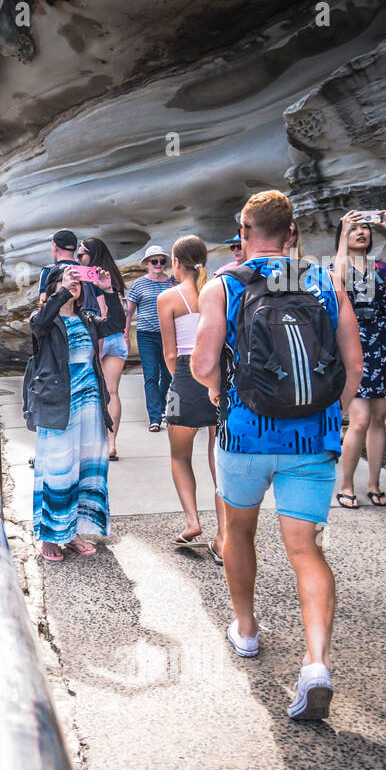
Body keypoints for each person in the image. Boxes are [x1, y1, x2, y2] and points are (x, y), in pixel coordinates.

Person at [191, 189, 363, 721]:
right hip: (311, 438)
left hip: (244, 434)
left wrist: (221, 393)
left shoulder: (225, 284)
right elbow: (354, 363)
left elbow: (201, 364)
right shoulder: (325, 281)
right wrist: (332, 412)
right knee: (306, 549)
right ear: (292, 233)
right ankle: (316, 665)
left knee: (237, 533)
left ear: (243, 233)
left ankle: (245, 630)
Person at [332, 210, 386, 509]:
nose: (362, 232)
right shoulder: (334, 266)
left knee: (379, 420)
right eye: (355, 228)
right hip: (354, 344)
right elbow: (339, 280)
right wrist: (343, 232)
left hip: (383, 344)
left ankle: (374, 484)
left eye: (366, 229)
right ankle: (345, 485)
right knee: (358, 420)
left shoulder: (380, 268)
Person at [28, 265, 114, 561]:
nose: (73, 284)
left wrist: (107, 290)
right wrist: (63, 288)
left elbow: (115, 323)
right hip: (59, 404)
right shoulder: (46, 321)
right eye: (66, 280)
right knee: (59, 468)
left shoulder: (86, 319)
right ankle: (50, 535)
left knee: (82, 466)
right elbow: (38, 324)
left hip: (88, 403)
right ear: (53, 288)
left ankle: (72, 532)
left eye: (77, 280)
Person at [158, 235, 225, 560]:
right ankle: (224, 536)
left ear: (176, 263)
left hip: (185, 376)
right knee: (219, 461)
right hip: (219, 376)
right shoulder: (220, 290)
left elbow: (169, 354)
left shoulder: (169, 297)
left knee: (179, 456)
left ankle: (192, 522)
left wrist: (181, 383)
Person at [77, 237, 128, 460]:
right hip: (116, 338)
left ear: (92, 255)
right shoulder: (111, 276)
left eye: (81, 255)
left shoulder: (91, 277)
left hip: (99, 335)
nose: (79, 260)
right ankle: (111, 443)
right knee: (113, 391)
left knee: (94, 391)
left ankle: (93, 442)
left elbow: (101, 311)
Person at [125, 244, 178, 431]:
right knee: (151, 375)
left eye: (161, 261)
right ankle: (154, 417)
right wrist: (125, 333)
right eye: (154, 261)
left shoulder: (173, 283)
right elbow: (129, 312)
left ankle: (163, 407)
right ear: (146, 263)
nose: (158, 264)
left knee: (169, 374)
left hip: (169, 334)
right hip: (146, 335)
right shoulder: (139, 284)